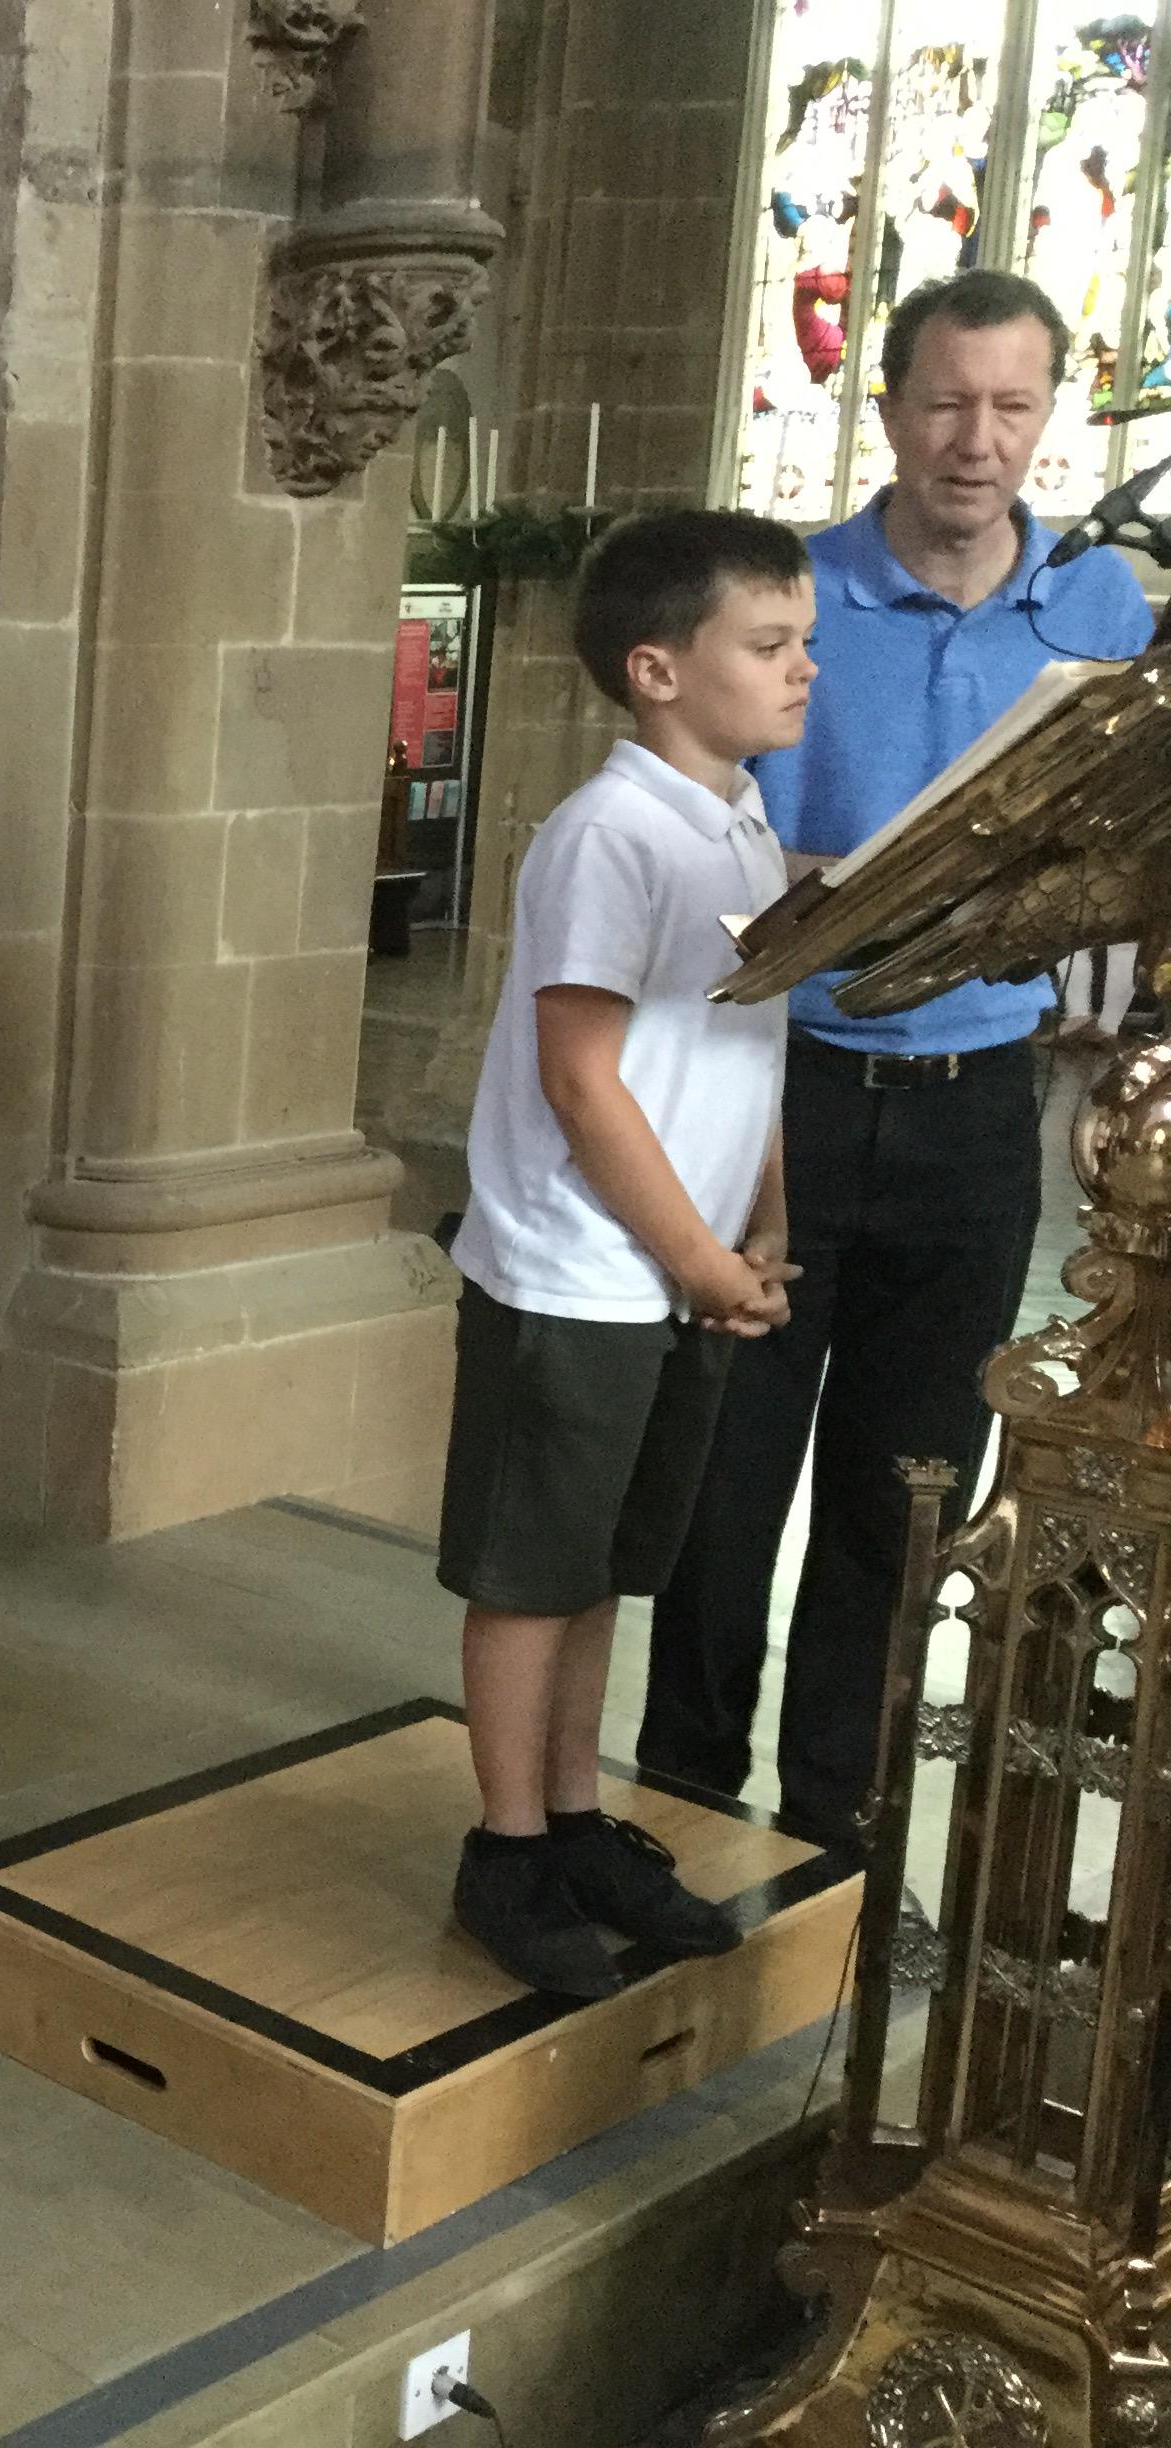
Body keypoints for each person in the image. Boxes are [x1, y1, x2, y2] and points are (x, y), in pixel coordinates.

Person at [638, 271, 1157, 1848]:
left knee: (906, 1481)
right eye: (944, 402)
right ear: (889, 408)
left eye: (1011, 406)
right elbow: (688, 821)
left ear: (1051, 414)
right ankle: (680, 1797)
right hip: (776, 1093)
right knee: (726, 1475)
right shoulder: (791, 591)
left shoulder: (1100, 609)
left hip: (978, 1106)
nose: (975, 440)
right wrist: (827, 887)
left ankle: (833, 1826)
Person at [442, 512, 816, 1998]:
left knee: (600, 1566)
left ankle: (573, 1817)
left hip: (678, 1266)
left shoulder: (740, 821)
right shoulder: (610, 833)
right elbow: (581, 1080)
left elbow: (747, 1043)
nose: (801, 671)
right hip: (582, 1275)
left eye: (802, 645)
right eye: (768, 645)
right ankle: (505, 1850)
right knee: (533, 1575)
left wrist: (763, 1219)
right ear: (657, 669)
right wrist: (702, 1264)